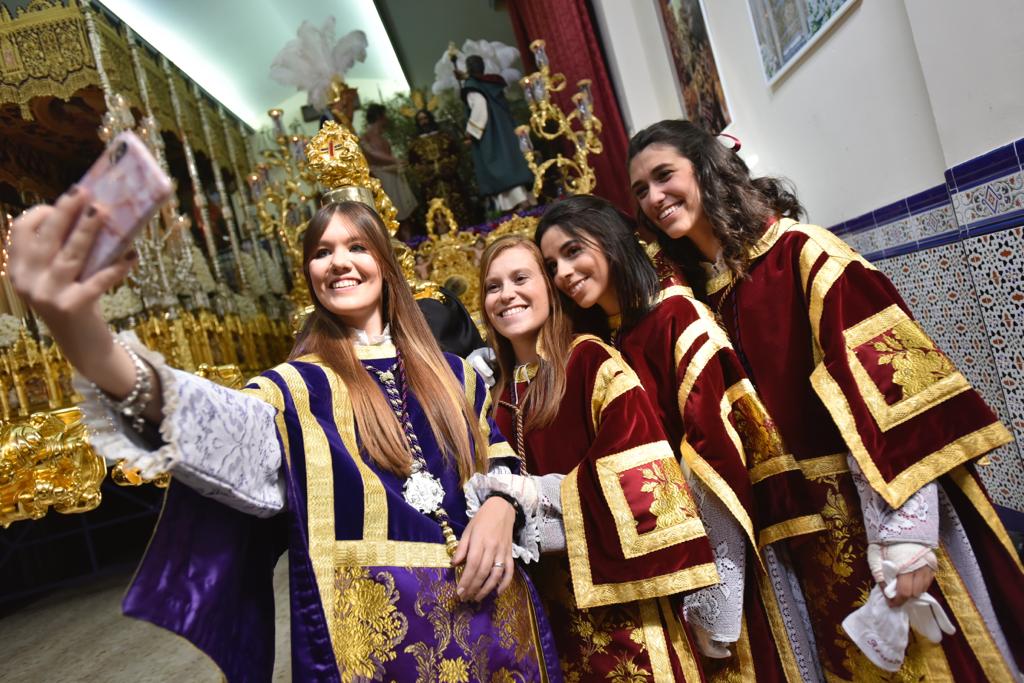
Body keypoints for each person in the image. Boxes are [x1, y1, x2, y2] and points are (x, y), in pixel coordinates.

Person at [9, 192, 563, 682]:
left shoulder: (456, 373)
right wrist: (81, 330)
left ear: (385, 265)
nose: (339, 261)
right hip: (375, 649)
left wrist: (500, 508)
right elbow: (205, 419)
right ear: (309, 276)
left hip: (499, 620)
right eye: (322, 252)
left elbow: (500, 457)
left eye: (356, 247)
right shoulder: (293, 389)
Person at [627, 119, 1024, 680]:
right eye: (640, 190)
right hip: (787, 535)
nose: (654, 198)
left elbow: (894, 388)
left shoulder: (802, 254)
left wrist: (906, 532)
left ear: (706, 167)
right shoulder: (693, 297)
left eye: (664, 176)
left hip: (869, 511)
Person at [536, 195, 827, 682]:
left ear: (609, 241)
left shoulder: (673, 318)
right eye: (551, 265)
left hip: (718, 564)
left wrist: (716, 600)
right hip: (668, 567)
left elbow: (714, 461)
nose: (563, 272)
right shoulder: (608, 336)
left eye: (573, 251)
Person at [472, 234, 718, 680]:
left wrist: (531, 499)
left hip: (626, 614)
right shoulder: (494, 396)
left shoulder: (589, 361)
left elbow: (645, 479)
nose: (506, 294)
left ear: (550, 287)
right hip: (549, 619)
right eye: (493, 286)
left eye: (520, 278)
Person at [460, 55, 535, 214]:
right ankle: (522, 202)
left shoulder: (473, 86)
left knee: (499, 165)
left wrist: (470, 132)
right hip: (504, 130)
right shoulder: (491, 83)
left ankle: (517, 206)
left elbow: (480, 108)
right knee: (509, 161)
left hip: (491, 135)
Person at [407, 109, 474, 226]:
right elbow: (413, 164)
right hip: (431, 186)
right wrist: (431, 171)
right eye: (420, 120)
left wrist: (444, 167)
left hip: (451, 182)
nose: (424, 122)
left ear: (430, 119)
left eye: (425, 118)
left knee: (458, 209)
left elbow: (456, 154)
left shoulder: (445, 137)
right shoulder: (415, 145)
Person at [360, 104, 419, 237]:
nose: (387, 119)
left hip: (393, 176)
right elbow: (372, 152)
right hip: (382, 178)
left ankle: (410, 247)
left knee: (405, 217)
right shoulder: (366, 137)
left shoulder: (382, 137)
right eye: (384, 116)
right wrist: (395, 160)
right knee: (391, 217)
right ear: (379, 117)